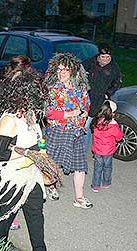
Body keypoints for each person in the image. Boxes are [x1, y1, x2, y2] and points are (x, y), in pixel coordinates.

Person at [0, 56, 61, 251]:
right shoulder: (9, 120)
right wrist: (29, 155)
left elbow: (36, 143)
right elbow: (0, 154)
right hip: (13, 177)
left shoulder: (30, 116)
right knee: (6, 214)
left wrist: (41, 156)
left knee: (36, 214)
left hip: (31, 176)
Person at [45, 53, 92, 209]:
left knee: (80, 166)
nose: (61, 73)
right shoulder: (53, 89)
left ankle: (79, 198)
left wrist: (84, 113)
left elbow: (86, 105)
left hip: (77, 132)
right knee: (54, 163)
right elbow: (47, 112)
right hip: (58, 131)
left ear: (72, 70)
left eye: (65, 70)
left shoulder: (80, 88)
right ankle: (51, 186)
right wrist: (70, 114)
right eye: (59, 70)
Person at [83, 44, 122, 151]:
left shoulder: (114, 68)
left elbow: (117, 83)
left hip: (101, 101)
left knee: (97, 127)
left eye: (108, 57)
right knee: (85, 126)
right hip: (87, 98)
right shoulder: (90, 63)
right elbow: (79, 74)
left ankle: (100, 149)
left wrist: (108, 93)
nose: (105, 60)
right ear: (98, 56)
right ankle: (83, 150)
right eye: (103, 57)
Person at [90, 100, 123, 192]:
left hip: (97, 150)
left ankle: (95, 186)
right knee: (107, 167)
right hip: (108, 151)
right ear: (111, 114)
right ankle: (106, 183)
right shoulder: (113, 126)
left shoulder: (96, 122)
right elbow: (119, 137)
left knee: (97, 168)